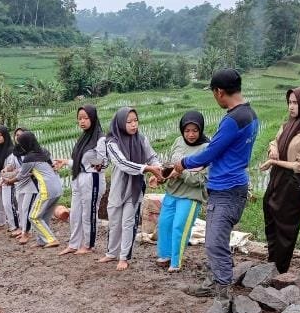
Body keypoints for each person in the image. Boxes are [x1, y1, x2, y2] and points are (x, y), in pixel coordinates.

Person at [170, 69, 259, 313]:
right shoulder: (250, 114)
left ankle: (223, 297)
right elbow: (226, 152)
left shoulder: (233, 119)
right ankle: (212, 283)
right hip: (232, 184)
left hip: (227, 190)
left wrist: (184, 162)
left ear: (219, 92)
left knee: (214, 243)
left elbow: (211, 151)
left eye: (214, 93)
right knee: (214, 238)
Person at [260, 87, 300, 274]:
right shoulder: (288, 126)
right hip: (277, 179)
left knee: (285, 229)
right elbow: (275, 140)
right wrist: (273, 149)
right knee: (270, 219)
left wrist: (274, 161)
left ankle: (280, 270)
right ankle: (272, 263)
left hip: (293, 184)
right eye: (290, 102)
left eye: (296, 103)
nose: (291, 107)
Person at [99, 107, 163, 271]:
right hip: (118, 187)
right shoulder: (112, 142)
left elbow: (152, 157)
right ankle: (112, 253)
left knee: (128, 223)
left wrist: (157, 169)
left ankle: (124, 257)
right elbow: (122, 163)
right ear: (120, 123)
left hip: (135, 188)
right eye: (129, 122)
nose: (134, 125)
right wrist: (147, 169)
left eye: (135, 120)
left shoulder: (141, 139)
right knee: (114, 222)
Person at [153, 111, 210, 272]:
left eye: (195, 130)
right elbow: (171, 165)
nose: (191, 134)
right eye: (187, 131)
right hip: (172, 192)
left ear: (201, 130)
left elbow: (200, 179)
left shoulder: (206, 148)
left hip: (190, 196)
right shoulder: (178, 142)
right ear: (182, 131)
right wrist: (160, 176)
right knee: (164, 224)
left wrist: (182, 171)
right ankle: (165, 255)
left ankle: (176, 262)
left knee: (180, 226)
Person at [55, 105, 108, 256]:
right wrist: (66, 162)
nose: (82, 121)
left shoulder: (100, 139)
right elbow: (81, 162)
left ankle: (88, 244)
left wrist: (94, 163)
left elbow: (103, 163)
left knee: (88, 213)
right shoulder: (83, 138)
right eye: (79, 119)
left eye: (86, 118)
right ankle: (73, 244)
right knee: (75, 213)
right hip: (79, 177)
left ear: (92, 118)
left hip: (93, 179)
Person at [3, 132, 62, 248]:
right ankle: (42, 241)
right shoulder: (43, 153)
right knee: (44, 216)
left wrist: (9, 181)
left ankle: (51, 239)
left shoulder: (29, 158)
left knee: (33, 216)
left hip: (47, 189)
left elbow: (21, 176)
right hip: (57, 188)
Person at [10, 128, 38, 244]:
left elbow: (33, 169)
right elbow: (12, 166)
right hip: (20, 184)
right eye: (16, 135)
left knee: (26, 208)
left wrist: (16, 175)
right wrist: (7, 169)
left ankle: (26, 233)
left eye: (21, 135)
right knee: (21, 208)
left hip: (31, 184)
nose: (18, 137)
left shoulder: (31, 152)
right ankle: (23, 229)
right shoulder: (15, 152)